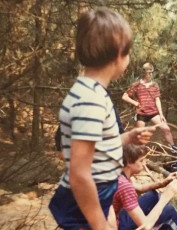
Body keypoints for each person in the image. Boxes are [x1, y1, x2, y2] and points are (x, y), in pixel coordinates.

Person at [49, 8, 155, 230]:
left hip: (96, 198)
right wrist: (100, 225)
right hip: (85, 206)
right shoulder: (91, 100)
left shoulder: (92, 93)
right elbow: (80, 174)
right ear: (119, 55)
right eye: (129, 52)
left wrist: (128, 137)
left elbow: (98, 148)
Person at [113, 144, 177, 230]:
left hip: (117, 217)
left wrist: (162, 183)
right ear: (129, 163)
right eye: (141, 161)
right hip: (117, 226)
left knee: (153, 195)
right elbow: (145, 226)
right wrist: (165, 197)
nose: (144, 163)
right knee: (170, 211)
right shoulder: (125, 186)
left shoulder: (119, 174)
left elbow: (140, 188)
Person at [122, 63, 175, 149]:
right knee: (140, 136)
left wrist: (161, 114)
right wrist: (135, 103)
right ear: (143, 73)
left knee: (166, 129)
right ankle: (139, 155)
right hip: (141, 114)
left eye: (152, 72)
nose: (151, 74)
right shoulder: (136, 84)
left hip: (153, 112)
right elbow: (124, 96)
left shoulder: (154, 85)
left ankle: (174, 149)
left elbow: (157, 100)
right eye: (149, 72)